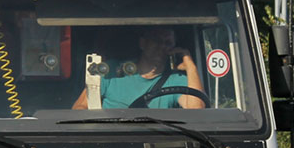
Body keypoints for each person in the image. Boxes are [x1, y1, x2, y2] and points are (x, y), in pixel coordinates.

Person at [73, 27, 206, 110]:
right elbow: (80, 107)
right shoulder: (111, 70)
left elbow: (197, 111)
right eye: (156, 40)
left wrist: (191, 67)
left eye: (168, 43)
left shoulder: (176, 80)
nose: (161, 46)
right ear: (143, 43)